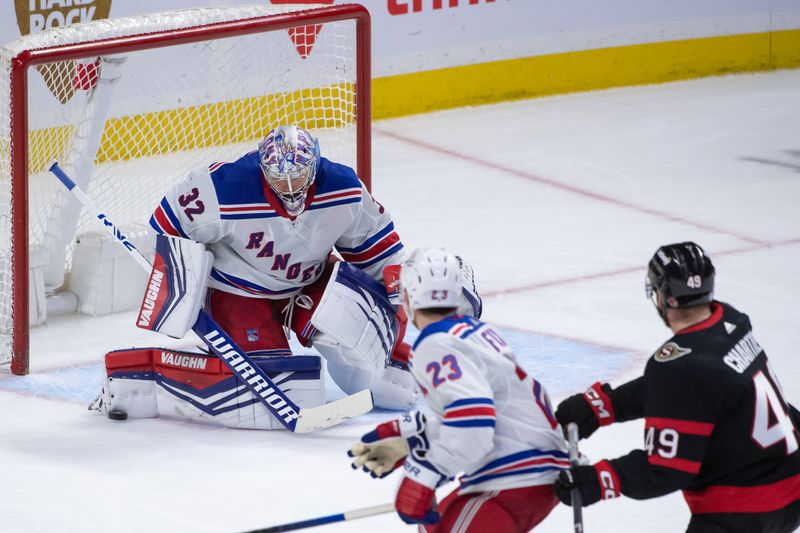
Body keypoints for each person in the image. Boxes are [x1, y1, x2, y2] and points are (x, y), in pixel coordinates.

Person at [95, 125, 427, 428]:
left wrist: (393, 302)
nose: (289, 189)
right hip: (238, 293)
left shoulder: (344, 188)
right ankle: (147, 381)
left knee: (388, 384)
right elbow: (166, 228)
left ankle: (388, 365)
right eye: (279, 180)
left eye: (297, 179)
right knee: (279, 388)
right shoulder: (221, 188)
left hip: (309, 283)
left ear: (314, 167)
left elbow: (379, 250)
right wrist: (183, 288)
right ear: (263, 170)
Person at [554, 241, 800, 532]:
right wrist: (605, 406)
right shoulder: (730, 321)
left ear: (662, 297)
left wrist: (600, 479)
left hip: (743, 509)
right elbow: (690, 388)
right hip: (791, 484)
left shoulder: (677, 367)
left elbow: (666, 470)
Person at [348, 248, 567, 532]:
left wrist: (423, 476)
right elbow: (482, 413)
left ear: (408, 298)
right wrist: (413, 439)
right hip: (533, 471)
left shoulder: (436, 344)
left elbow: (473, 422)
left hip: (514, 475)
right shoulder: (473, 334)